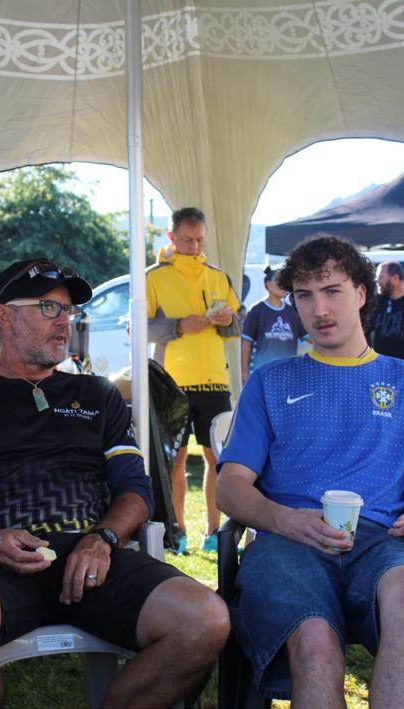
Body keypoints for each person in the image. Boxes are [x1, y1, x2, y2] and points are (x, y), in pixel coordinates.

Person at [0, 257, 229, 708]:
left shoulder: (97, 394)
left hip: (94, 561)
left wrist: (102, 539)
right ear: (4, 316)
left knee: (205, 618)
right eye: (49, 308)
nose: (65, 322)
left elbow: (136, 490)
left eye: (68, 311)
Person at [217, 234, 404, 707]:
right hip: (287, 543)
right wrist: (285, 521)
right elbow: (229, 488)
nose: (319, 309)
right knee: (314, 641)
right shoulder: (270, 382)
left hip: (382, 541)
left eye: (332, 290)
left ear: (360, 293)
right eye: (304, 295)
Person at [146, 207, 244, 553]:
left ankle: (214, 531)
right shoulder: (153, 277)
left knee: (218, 459)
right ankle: (178, 530)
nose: (195, 246)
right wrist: (177, 326)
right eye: (188, 240)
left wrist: (227, 320)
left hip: (215, 381)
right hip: (171, 384)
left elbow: (239, 323)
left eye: (200, 239)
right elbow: (137, 327)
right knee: (174, 461)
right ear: (172, 237)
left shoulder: (218, 276)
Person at [241, 265, 306, 385]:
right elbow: (246, 342)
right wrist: (244, 371)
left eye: (285, 282)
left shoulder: (292, 312)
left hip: (288, 375)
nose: (283, 285)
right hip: (262, 373)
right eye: (278, 281)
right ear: (268, 285)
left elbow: (311, 338)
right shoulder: (257, 310)